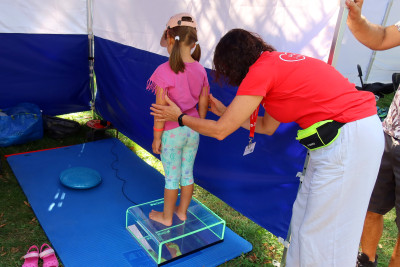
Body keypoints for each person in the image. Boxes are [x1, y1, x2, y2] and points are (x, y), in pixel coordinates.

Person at [150, 28, 384, 266]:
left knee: (324, 235)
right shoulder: (274, 67)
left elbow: (220, 131)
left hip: (350, 137)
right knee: (304, 222)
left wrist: (179, 117)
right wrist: (224, 112)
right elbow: (266, 126)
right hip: (338, 140)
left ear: (231, 65)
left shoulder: (261, 72)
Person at [345, 0, 400, 266]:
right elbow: (380, 37)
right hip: (390, 135)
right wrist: (357, 19)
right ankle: (365, 261)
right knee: (370, 207)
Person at [146, 13, 209, 226]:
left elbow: (160, 109)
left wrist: (157, 137)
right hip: (193, 129)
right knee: (187, 174)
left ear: (171, 39)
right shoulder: (201, 69)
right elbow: (203, 101)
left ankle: (166, 217)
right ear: (192, 42)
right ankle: (182, 212)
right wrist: (199, 123)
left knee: (172, 178)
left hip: (172, 134)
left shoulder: (163, 71)